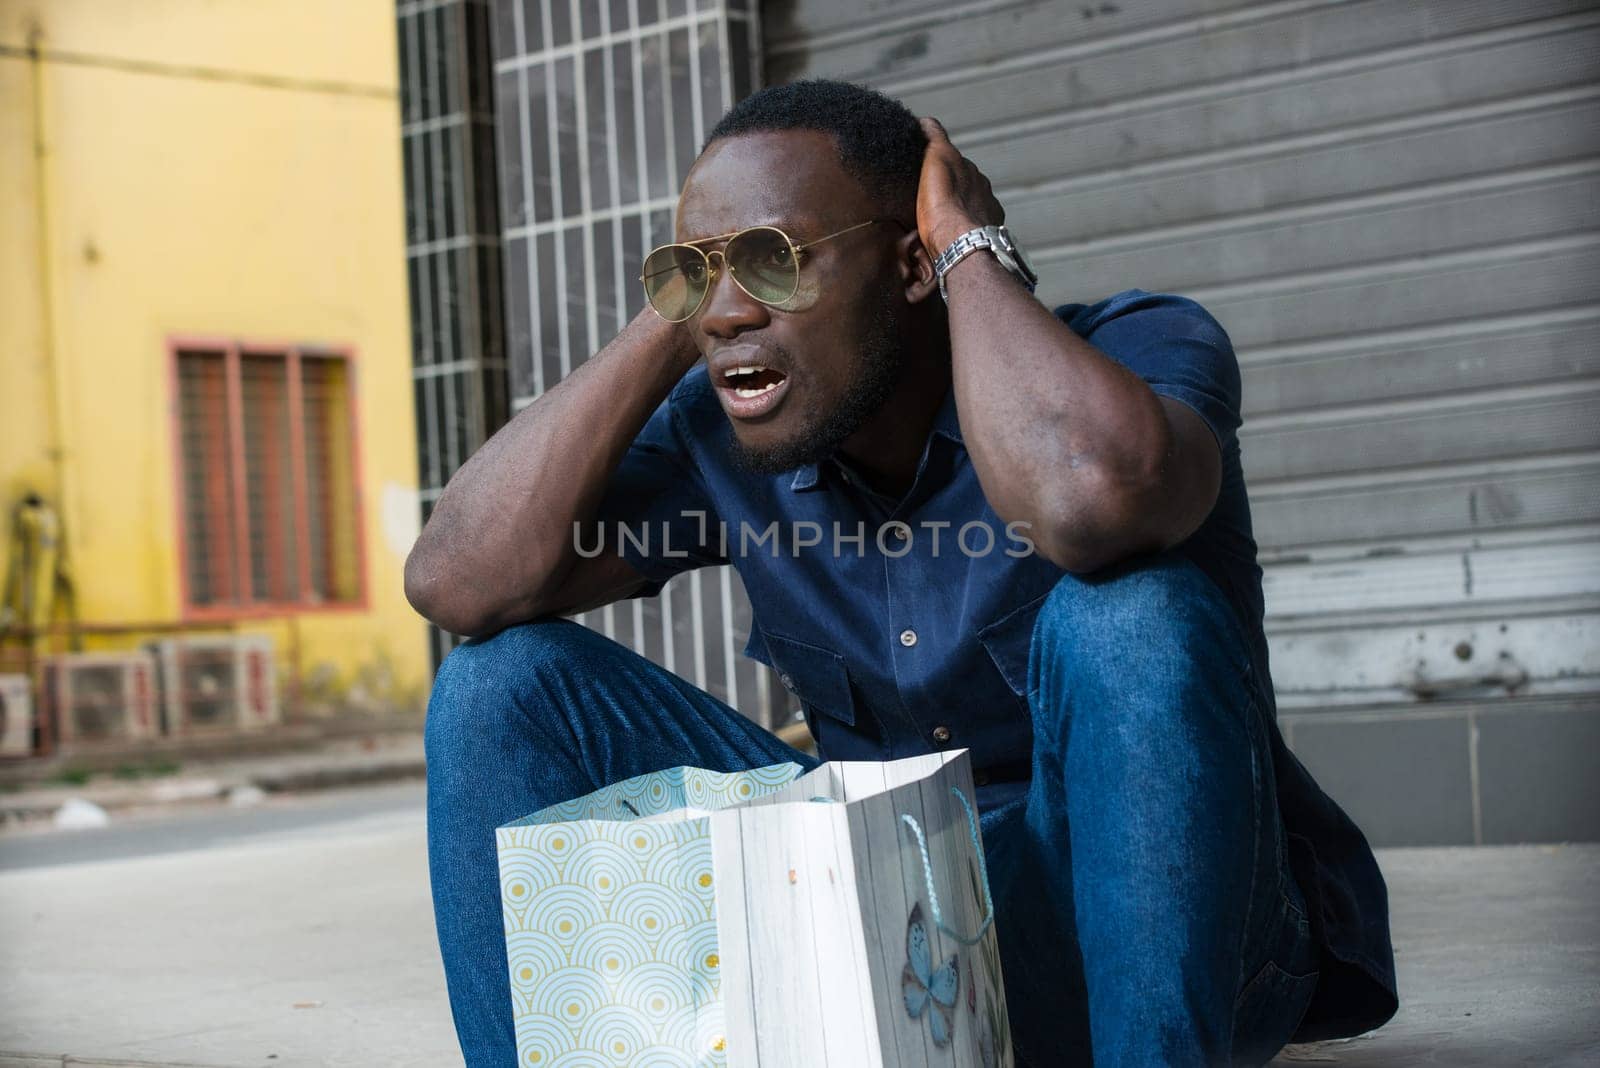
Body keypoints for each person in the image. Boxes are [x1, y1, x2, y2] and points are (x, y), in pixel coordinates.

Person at [407, 79, 1397, 1066]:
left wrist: (965, 240)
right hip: (897, 953)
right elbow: (458, 581)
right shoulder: (725, 437)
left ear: (911, 261)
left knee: (1131, 614)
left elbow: (1094, 502)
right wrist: (688, 305)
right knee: (502, 686)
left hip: (1137, 944)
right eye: (699, 272)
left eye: (772, 260)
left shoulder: (1136, 349)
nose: (725, 312)